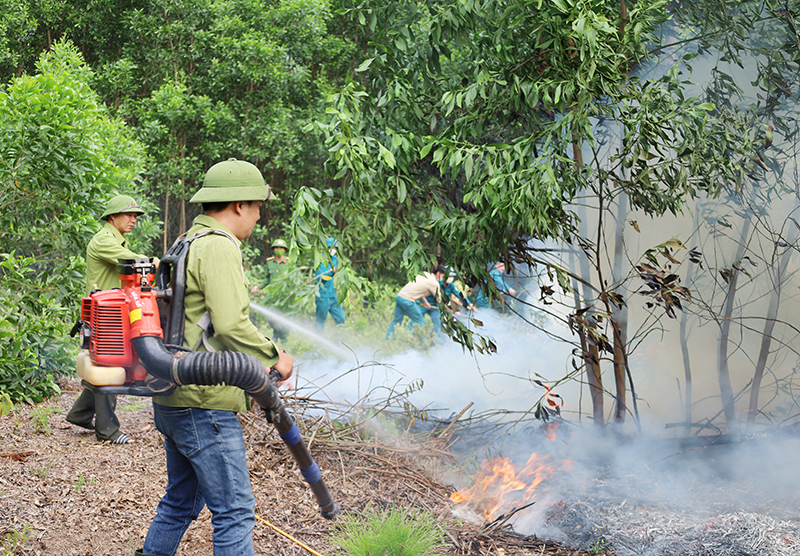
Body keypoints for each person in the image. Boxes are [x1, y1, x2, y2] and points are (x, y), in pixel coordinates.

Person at [139, 158, 293, 556]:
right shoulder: (220, 247)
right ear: (239, 205)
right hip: (204, 402)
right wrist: (275, 356)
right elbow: (230, 325)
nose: (259, 217)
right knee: (236, 511)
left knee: (181, 502)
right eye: (258, 207)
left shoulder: (184, 241)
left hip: (173, 394)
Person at [66, 194, 158, 445]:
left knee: (104, 364)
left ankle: (80, 414)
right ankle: (107, 430)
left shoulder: (116, 240)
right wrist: (155, 262)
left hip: (112, 313)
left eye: (136, 216)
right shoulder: (104, 241)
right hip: (105, 314)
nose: (134, 220)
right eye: (128, 215)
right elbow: (133, 262)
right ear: (112, 217)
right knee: (111, 364)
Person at [386, 265, 446, 340]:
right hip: (408, 301)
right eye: (443, 277)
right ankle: (413, 342)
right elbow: (439, 300)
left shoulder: (423, 275)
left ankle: (388, 341)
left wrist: (425, 302)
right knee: (420, 322)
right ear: (438, 273)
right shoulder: (433, 283)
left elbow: (417, 290)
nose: (443, 279)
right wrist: (448, 309)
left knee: (396, 321)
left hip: (399, 297)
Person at [250, 238, 291, 342]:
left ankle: (284, 336)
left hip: (285, 294)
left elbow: (293, 278)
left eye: (281, 248)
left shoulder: (289, 263)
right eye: (276, 247)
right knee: (272, 316)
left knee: (285, 317)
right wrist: (258, 287)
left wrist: (292, 291)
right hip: (273, 294)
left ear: (285, 250)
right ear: (273, 249)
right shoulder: (270, 262)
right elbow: (267, 278)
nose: (279, 249)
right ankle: (276, 334)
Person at [314, 237, 345, 329]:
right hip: (323, 296)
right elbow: (320, 276)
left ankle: (339, 340)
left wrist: (343, 282)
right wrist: (332, 271)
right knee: (320, 320)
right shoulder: (318, 260)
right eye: (332, 248)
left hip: (333, 295)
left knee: (340, 319)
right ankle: (317, 340)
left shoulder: (336, 260)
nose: (333, 250)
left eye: (335, 248)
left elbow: (340, 274)